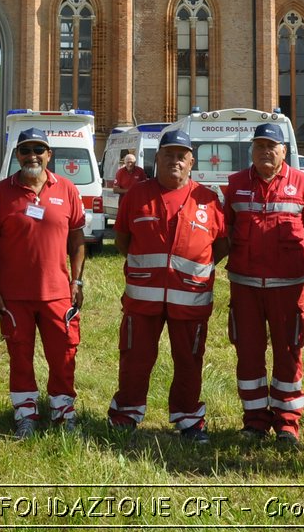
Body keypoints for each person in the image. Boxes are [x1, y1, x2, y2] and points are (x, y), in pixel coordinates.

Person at [107, 127, 227, 443]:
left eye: (181, 156)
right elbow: (122, 239)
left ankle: (188, 419)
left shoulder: (208, 199)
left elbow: (221, 244)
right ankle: (126, 414)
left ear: (191, 162)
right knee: (134, 356)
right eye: (168, 155)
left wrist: (196, 266)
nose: (175, 161)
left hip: (190, 299)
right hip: (143, 299)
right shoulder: (137, 195)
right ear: (157, 158)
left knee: (189, 360)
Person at [0, 128, 87, 437]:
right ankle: (25, 415)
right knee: (19, 356)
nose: (32, 156)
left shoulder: (68, 190)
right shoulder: (0, 193)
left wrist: (78, 281)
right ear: (17, 155)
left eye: (39, 150)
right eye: (26, 150)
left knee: (64, 355)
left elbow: (78, 238)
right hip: (14, 294)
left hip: (58, 293)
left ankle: (62, 412)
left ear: (49, 155)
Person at [223, 120, 304, 448]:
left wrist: (300, 262)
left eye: (271, 147)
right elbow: (226, 230)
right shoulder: (234, 184)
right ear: (252, 149)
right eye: (259, 146)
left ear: (284, 152)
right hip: (245, 286)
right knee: (248, 354)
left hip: (288, 288)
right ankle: (255, 421)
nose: (265, 152)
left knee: (289, 353)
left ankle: (287, 424)